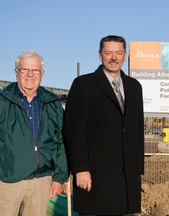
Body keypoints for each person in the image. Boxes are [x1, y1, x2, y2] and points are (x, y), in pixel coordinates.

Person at [64, 35, 144, 215]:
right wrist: (80, 168)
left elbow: (137, 130)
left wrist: (136, 169)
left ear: (125, 55)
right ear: (100, 55)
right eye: (108, 53)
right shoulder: (83, 85)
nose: (113, 57)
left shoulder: (134, 87)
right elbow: (74, 131)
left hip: (124, 176)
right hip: (95, 174)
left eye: (118, 53)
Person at [0, 50, 68, 216]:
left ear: (42, 73)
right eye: (25, 70)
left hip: (41, 182)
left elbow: (61, 142)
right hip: (7, 182)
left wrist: (59, 178)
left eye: (35, 70)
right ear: (16, 72)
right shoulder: (3, 101)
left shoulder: (53, 103)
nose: (30, 75)